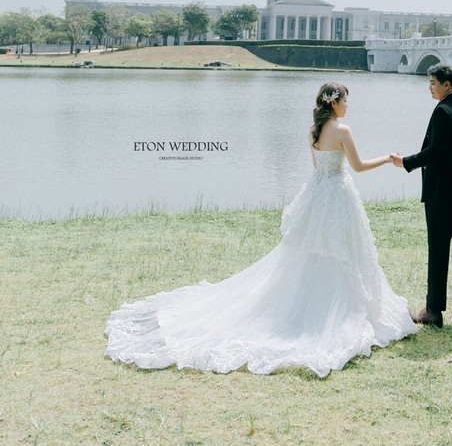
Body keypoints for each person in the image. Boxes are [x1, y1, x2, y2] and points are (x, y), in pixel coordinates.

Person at [105, 82, 416, 377]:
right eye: (345, 100)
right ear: (333, 102)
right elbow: (358, 166)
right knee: (339, 250)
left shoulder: (313, 130)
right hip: (337, 195)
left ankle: (309, 303)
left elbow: (317, 166)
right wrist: (388, 159)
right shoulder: (343, 130)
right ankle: (334, 310)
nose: (348, 105)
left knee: (310, 251)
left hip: (318, 193)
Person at [391, 63, 452, 329]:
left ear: (447, 85)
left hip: (443, 192)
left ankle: (433, 310)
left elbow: (435, 151)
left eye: (432, 83)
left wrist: (405, 161)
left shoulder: (443, 111)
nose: (429, 87)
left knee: (439, 248)